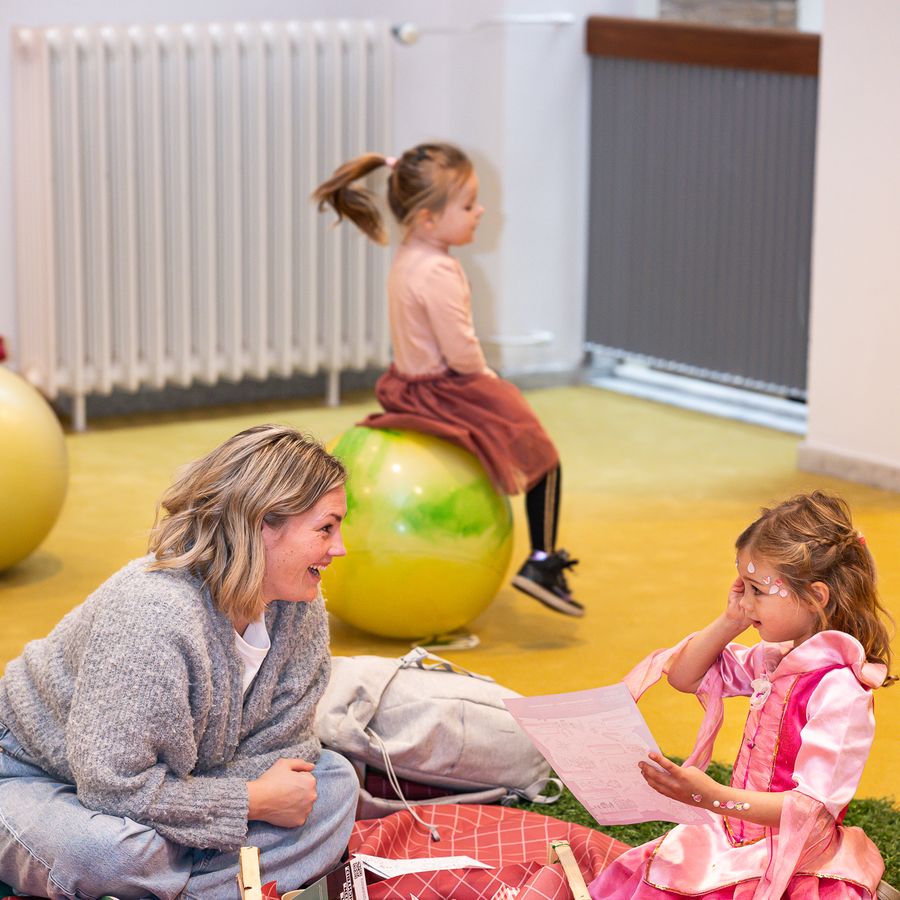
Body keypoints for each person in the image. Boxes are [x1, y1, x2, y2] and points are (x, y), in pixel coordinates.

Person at [0, 425, 359, 900]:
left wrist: (226, 799)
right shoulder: (153, 613)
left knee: (334, 783)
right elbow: (113, 788)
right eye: (326, 528)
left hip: (163, 794)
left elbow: (289, 750)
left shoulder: (300, 608)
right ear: (263, 524)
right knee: (114, 854)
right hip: (27, 772)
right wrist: (250, 800)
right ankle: (200, 879)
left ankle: (165, 884)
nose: (339, 548)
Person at [313, 142, 582, 617]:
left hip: (406, 384)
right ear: (428, 219)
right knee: (544, 459)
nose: (481, 211)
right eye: (468, 204)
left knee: (529, 447)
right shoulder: (438, 270)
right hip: (446, 390)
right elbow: (461, 352)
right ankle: (542, 562)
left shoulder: (408, 256)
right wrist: (490, 381)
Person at [590, 491, 894, 899]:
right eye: (743, 587)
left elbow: (809, 808)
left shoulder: (840, 692)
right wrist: (731, 619)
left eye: (758, 590)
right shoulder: (775, 659)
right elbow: (684, 676)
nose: (746, 602)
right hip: (733, 837)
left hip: (792, 855)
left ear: (816, 597)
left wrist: (711, 797)